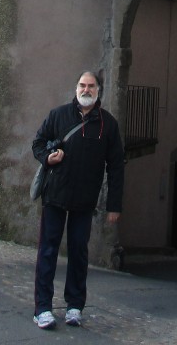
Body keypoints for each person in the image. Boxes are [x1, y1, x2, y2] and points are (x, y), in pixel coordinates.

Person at [32, 70, 125, 330]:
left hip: (85, 200)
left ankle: (74, 306)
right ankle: (42, 308)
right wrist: (47, 157)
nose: (86, 90)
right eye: (82, 85)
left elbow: (116, 166)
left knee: (78, 252)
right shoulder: (58, 115)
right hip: (55, 195)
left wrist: (114, 205)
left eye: (91, 86)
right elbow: (38, 143)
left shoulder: (108, 125)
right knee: (48, 251)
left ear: (98, 91)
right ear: (76, 88)